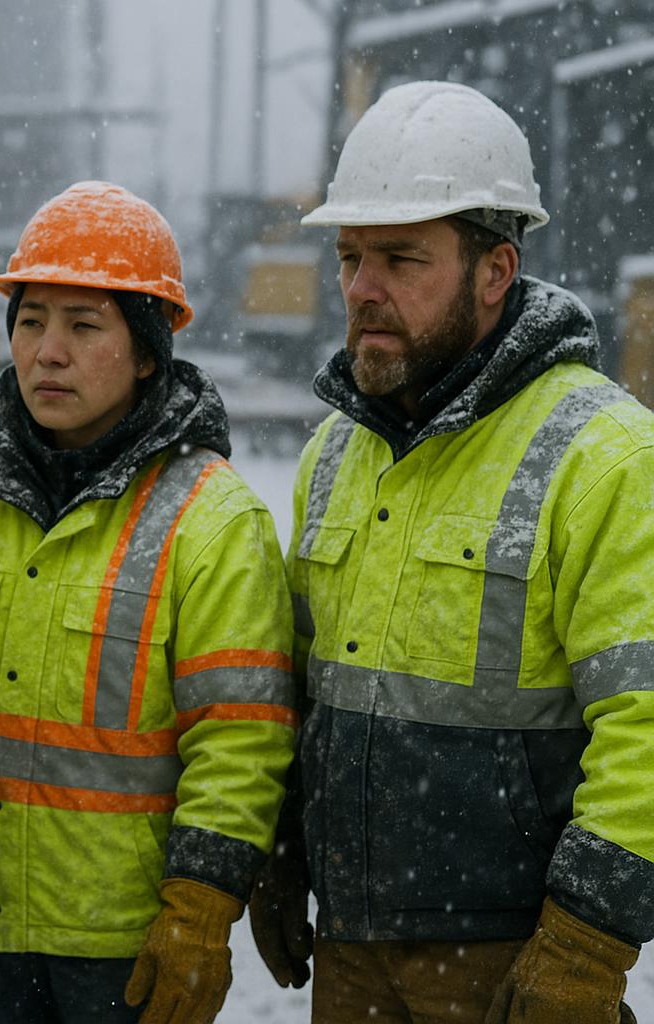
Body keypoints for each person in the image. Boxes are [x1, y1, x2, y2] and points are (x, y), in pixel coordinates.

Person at [249, 80, 654, 1024]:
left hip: (518, 966)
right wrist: (285, 850)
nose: (361, 289)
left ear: (496, 270)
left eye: (400, 259)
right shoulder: (337, 453)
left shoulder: (604, 457)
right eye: (350, 258)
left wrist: (587, 943)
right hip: (353, 955)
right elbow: (303, 689)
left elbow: (647, 727)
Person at [0, 181, 298, 1023]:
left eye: (83, 325)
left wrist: (201, 912)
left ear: (145, 352)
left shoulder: (211, 519)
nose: (46, 352)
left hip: (127, 949)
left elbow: (241, 742)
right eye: (31, 321)